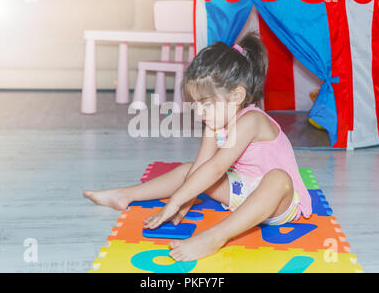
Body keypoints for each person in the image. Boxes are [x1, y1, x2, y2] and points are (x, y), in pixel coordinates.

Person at [83, 32, 312, 262]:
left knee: (278, 179)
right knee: (189, 169)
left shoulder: (252, 120)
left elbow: (216, 169)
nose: (199, 113)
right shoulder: (214, 124)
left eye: (206, 104)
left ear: (237, 95)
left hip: (277, 203)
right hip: (242, 191)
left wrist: (175, 201)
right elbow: (203, 166)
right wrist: (185, 201)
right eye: (195, 105)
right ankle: (125, 194)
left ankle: (216, 237)